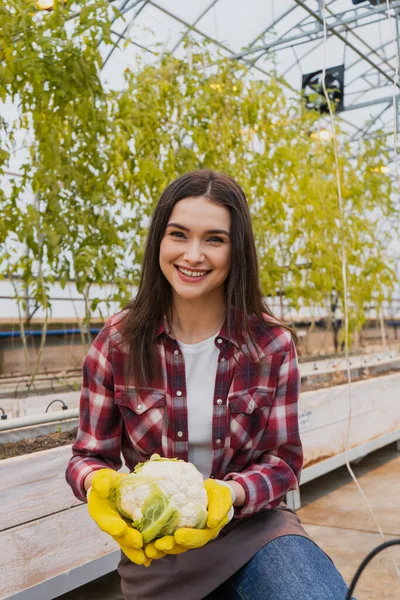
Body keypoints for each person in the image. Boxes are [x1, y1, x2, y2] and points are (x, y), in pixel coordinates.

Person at [66, 170, 355, 600]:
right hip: (158, 550)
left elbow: (283, 462)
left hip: (254, 535)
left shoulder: (271, 344)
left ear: (236, 250)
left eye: (215, 239)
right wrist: (100, 485)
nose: (194, 254)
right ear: (159, 243)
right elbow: (88, 456)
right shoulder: (119, 341)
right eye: (179, 235)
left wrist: (231, 493)